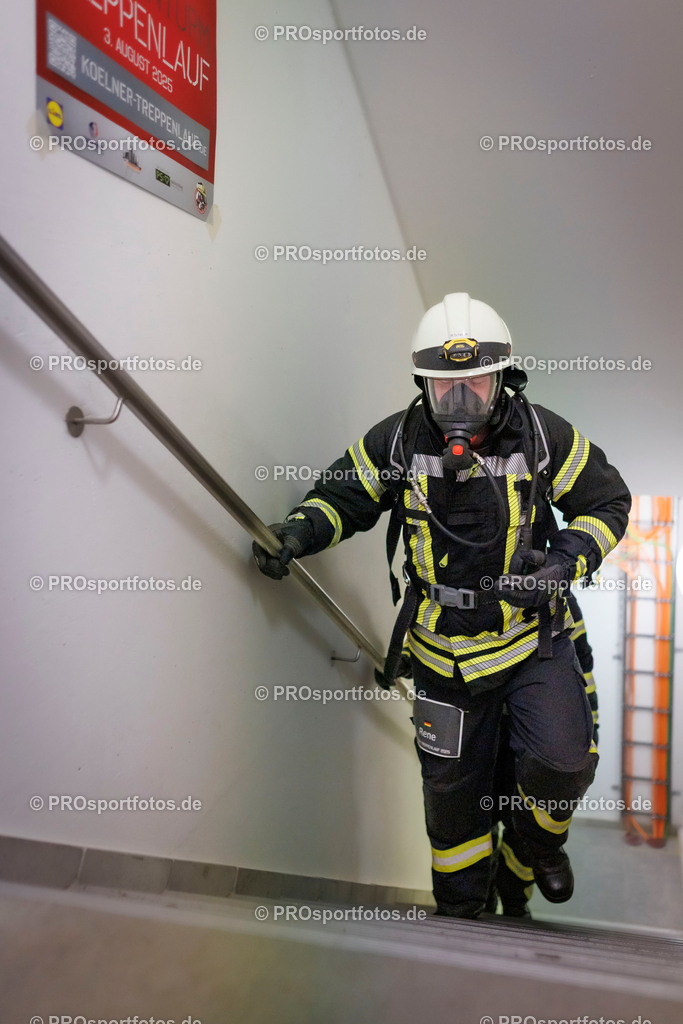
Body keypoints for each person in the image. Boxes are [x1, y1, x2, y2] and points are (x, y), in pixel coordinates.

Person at [253, 293, 630, 919]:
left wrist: (563, 564)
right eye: (445, 386)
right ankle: (463, 914)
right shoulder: (399, 440)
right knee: (452, 800)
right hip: (441, 652)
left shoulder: (540, 434)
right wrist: (298, 532)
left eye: (475, 384)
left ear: (503, 378)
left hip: (530, 639)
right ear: (423, 383)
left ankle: (531, 854)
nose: (459, 403)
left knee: (562, 764)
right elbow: (343, 496)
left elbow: (607, 502)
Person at [487, 593, 600, 918]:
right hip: (488, 733)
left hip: (533, 740)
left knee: (526, 831)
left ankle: (516, 905)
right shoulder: (466, 590)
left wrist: (588, 732)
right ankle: (480, 903)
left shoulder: (557, 598)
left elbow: (582, 672)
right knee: (475, 818)